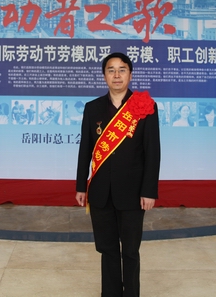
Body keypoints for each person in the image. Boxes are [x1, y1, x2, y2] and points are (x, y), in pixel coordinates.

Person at [76, 52, 160, 297]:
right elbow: (85, 150)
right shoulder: (92, 108)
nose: (116, 75)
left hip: (133, 193)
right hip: (101, 192)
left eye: (122, 70)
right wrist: (81, 186)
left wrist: (149, 191)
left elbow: (153, 152)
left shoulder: (145, 107)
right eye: (111, 70)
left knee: (130, 251)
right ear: (104, 76)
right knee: (108, 249)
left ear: (130, 75)